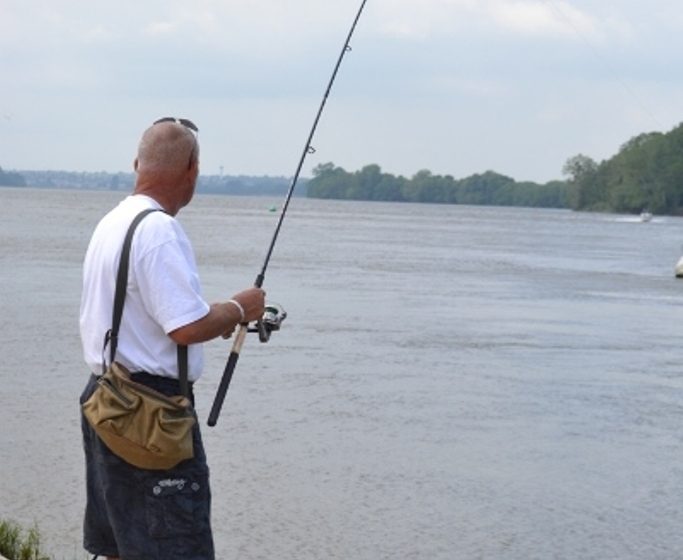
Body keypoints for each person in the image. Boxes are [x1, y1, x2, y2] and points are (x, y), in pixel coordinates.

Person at [79, 117, 265, 560]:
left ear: (137, 163)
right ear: (192, 169)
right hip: (152, 412)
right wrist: (240, 308)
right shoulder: (159, 231)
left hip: (105, 400)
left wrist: (213, 316)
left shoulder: (112, 222)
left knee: (120, 546)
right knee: (176, 547)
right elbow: (184, 327)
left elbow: (148, 319)